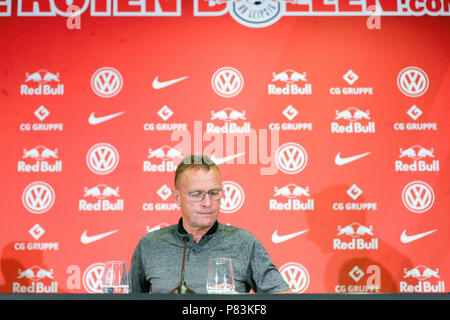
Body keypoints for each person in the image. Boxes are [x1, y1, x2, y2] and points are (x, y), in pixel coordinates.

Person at [129, 154, 292, 294]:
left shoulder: (244, 243)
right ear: (177, 197)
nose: (207, 202)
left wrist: (242, 303)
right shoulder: (150, 245)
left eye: (214, 193)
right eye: (196, 194)